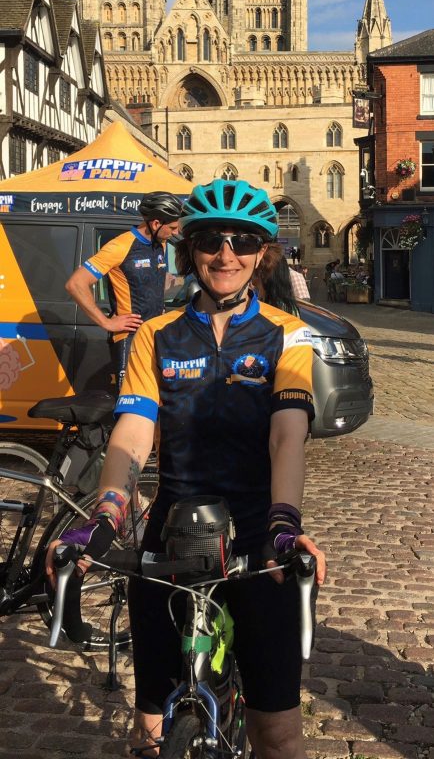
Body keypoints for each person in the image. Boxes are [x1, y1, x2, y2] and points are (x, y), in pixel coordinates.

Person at [47, 178, 326, 759]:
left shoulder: (289, 334)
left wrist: (285, 521)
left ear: (262, 254)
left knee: (278, 735)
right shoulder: (157, 334)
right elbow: (134, 431)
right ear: (190, 248)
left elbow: (287, 434)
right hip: (171, 533)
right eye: (211, 240)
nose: (227, 254)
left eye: (243, 241)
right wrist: (103, 515)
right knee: (151, 729)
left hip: (257, 529)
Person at [65, 191, 183, 390]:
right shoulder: (120, 246)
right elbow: (75, 284)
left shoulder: (160, 244)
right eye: (172, 227)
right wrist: (106, 322)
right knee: (129, 403)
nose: (175, 232)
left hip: (154, 334)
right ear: (155, 224)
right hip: (129, 337)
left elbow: (149, 284)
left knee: (157, 401)